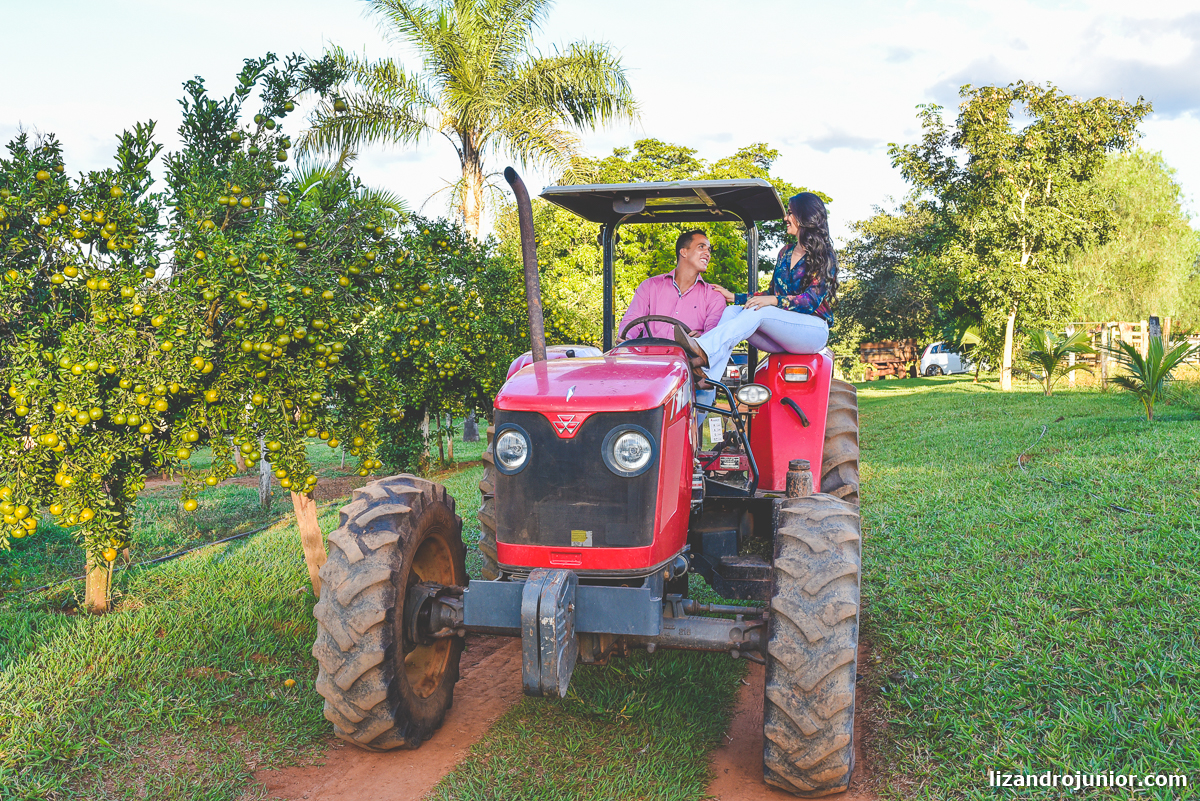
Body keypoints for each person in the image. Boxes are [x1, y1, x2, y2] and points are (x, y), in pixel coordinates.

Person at [675, 192, 837, 383]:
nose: (785, 218)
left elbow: (810, 302)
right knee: (733, 311)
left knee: (759, 311)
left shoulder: (824, 255)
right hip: (783, 333)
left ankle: (703, 349)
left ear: (805, 216)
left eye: (791, 213)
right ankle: (708, 377)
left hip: (812, 332)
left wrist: (773, 301)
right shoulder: (785, 253)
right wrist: (735, 297)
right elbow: (770, 294)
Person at [617, 230, 727, 342]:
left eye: (708, 250)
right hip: (649, 354)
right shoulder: (650, 286)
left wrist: (701, 341)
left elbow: (713, 335)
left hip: (687, 357)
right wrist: (626, 337)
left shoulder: (714, 296)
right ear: (684, 252)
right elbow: (633, 318)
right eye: (701, 247)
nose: (707, 253)